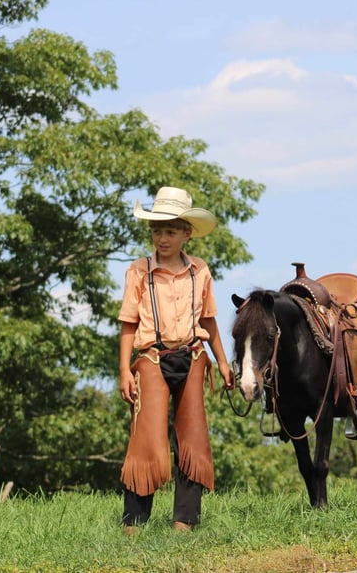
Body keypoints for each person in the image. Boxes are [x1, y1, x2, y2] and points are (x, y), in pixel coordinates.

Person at [117, 186, 233, 534]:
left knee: (192, 438)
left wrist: (223, 362)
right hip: (152, 359)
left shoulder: (200, 271)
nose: (162, 238)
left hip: (193, 357)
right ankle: (134, 523)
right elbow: (128, 322)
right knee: (148, 438)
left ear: (186, 233)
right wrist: (125, 369)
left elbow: (209, 319)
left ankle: (185, 521)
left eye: (170, 231)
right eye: (156, 230)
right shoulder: (140, 271)